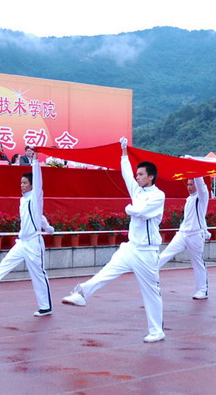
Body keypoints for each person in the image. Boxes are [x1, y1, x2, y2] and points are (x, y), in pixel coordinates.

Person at [62, 137, 167, 343]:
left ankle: (157, 330)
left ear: (151, 177)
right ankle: (82, 294)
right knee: (107, 271)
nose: (137, 177)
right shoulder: (137, 190)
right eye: (137, 174)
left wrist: (129, 208)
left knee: (151, 292)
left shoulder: (158, 196)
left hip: (147, 252)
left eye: (141, 174)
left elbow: (141, 211)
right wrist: (124, 152)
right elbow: (126, 174)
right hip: (131, 248)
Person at [0, 156, 55, 317]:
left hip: (34, 243)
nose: (21, 185)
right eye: (21, 182)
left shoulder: (36, 197)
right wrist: (47, 226)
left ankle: (46, 306)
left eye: (25, 183)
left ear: (32, 185)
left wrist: (35, 161)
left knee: (38, 275)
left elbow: (38, 182)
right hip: (22, 242)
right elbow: (39, 216)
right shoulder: (23, 200)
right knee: (5, 264)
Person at [158, 177, 210, 299]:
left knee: (197, 263)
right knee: (165, 254)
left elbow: (201, 184)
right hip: (183, 233)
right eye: (188, 184)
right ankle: (148, 273)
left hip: (195, 235)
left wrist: (195, 171)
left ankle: (202, 290)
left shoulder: (202, 197)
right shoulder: (189, 199)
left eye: (192, 184)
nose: (189, 187)